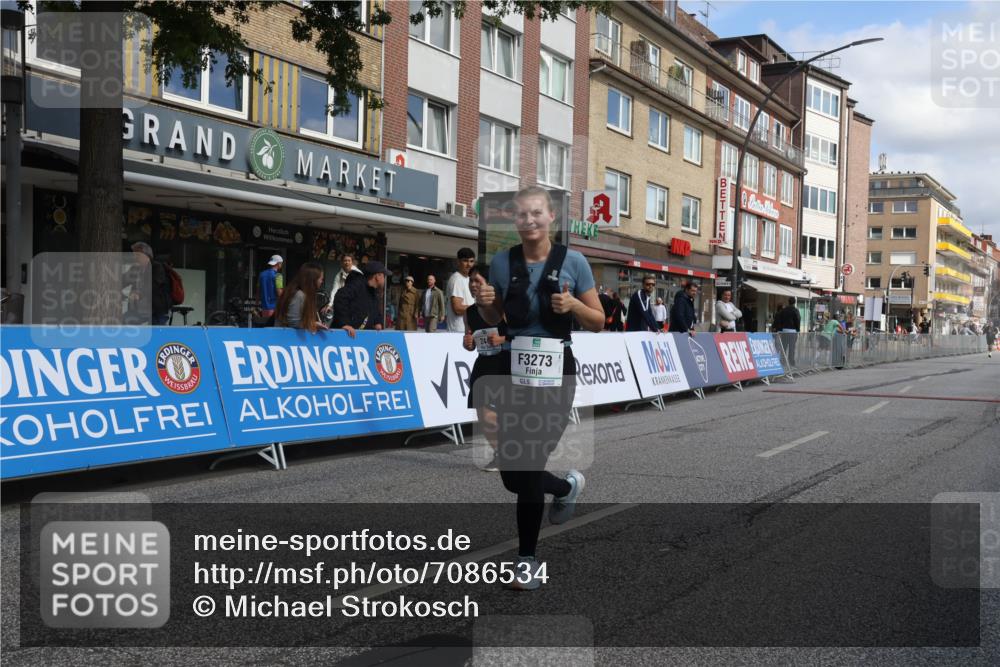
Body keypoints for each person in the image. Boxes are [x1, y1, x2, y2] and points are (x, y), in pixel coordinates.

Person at [474, 186, 605, 591]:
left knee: (527, 465)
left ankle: (526, 562)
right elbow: (496, 317)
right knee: (513, 476)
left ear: (551, 218)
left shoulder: (575, 262)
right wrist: (485, 302)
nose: (529, 221)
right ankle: (566, 486)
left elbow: (598, 320)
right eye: (522, 215)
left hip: (556, 373)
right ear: (515, 221)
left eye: (537, 213)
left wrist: (575, 308)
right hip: (513, 370)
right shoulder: (502, 261)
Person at [462, 265, 508, 473]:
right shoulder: (469, 312)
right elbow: (470, 341)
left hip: (506, 361)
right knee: (482, 410)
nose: (473, 285)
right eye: (471, 281)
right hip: (484, 363)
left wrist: (502, 338)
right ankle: (500, 454)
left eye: (477, 281)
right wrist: (468, 343)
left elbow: (521, 333)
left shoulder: (502, 306)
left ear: (489, 285)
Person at [332, 260, 390, 337]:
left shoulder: (373, 292)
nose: (384, 280)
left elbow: (375, 309)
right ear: (377, 276)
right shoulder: (357, 284)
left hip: (359, 338)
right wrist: (344, 323)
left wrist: (377, 322)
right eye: (384, 276)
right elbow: (340, 297)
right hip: (343, 336)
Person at [126, 242, 172, 325]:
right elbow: (124, 279)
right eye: (134, 255)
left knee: (155, 332)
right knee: (125, 321)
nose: (135, 258)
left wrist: (139, 294)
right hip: (140, 308)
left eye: (137, 255)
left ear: (146, 255)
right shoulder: (135, 268)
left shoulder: (157, 267)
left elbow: (154, 285)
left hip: (157, 308)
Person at [275, 261, 326, 333]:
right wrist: (313, 324)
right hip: (287, 339)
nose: (321, 282)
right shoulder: (299, 295)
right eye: (321, 279)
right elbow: (293, 322)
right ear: (312, 280)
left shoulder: (297, 293)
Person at [323, 253, 363, 320]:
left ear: (352, 262)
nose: (347, 262)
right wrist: (330, 304)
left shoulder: (358, 273)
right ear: (341, 263)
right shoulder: (338, 276)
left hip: (357, 303)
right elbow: (334, 290)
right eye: (345, 260)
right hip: (344, 303)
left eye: (349, 260)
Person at [446, 247, 476, 332]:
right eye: (465, 261)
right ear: (458, 262)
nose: (469, 264)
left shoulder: (468, 279)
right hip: (459, 331)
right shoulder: (457, 279)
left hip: (467, 330)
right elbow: (458, 308)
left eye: (471, 261)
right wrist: (479, 309)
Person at [772, 298, 801, 367]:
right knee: (792, 348)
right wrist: (798, 330)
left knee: (784, 347)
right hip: (792, 331)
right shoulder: (795, 310)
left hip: (784, 331)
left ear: (788, 302)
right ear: (794, 302)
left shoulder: (783, 310)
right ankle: (791, 362)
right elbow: (797, 320)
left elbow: (780, 319)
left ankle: (783, 361)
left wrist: (781, 328)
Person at [258, 255, 284, 320]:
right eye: (281, 263)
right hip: (274, 307)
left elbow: (258, 290)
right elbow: (279, 293)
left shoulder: (262, 274)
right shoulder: (278, 276)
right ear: (278, 263)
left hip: (264, 307)